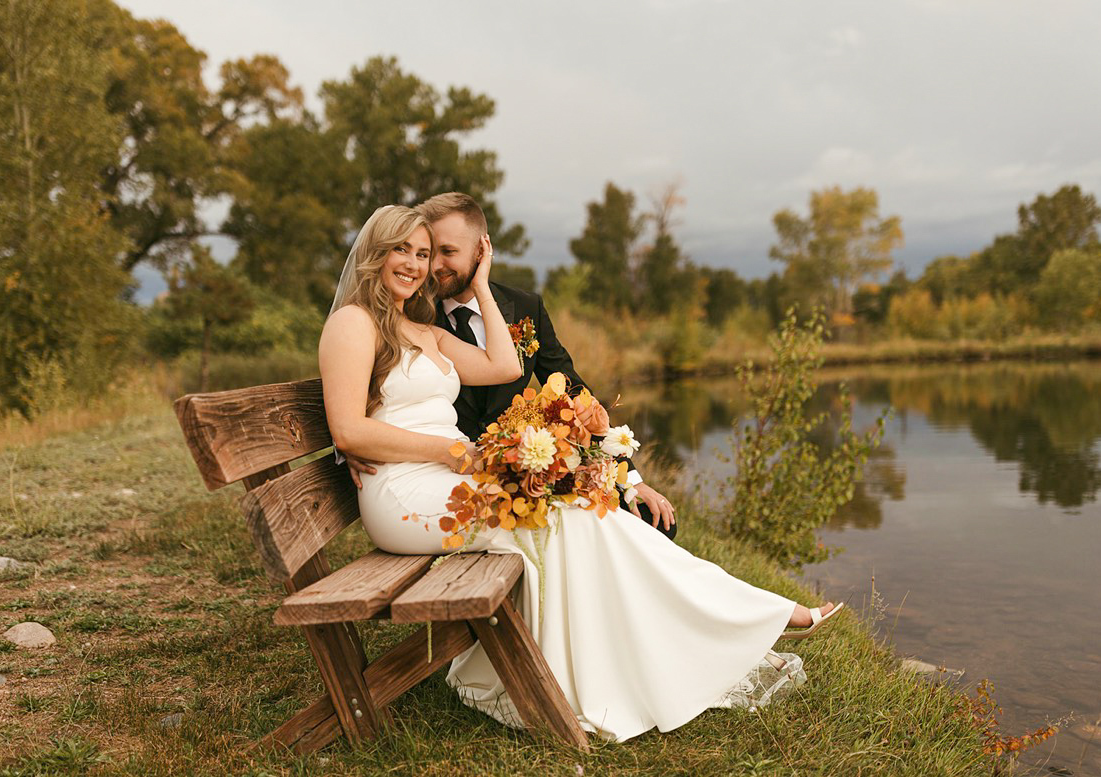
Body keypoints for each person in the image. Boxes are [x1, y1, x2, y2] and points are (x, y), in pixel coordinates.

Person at [318, 204, 843, 742]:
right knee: (566, 518)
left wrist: (482, 284)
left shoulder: (421, 330)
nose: (413, 262)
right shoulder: (352, 324)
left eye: (423, 253)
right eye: (401, 249)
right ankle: (740, 621)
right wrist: (451, 455)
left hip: (451, 478)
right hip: (407, 494)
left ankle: (738, 620)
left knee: (583, 511)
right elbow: (349, 431)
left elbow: (505, 367)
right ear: (375, 252)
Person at [347, 191, 679, 539]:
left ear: (480, 251)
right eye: (430, 252)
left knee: (652, 521)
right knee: (576, 530)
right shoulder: (414, 310)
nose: (434, 265)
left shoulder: (523, 307)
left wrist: (630, 479)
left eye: (446, 252)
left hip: (522, 468)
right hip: (451, 474)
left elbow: (573, 391)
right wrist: (351, 447)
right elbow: (361, 381)